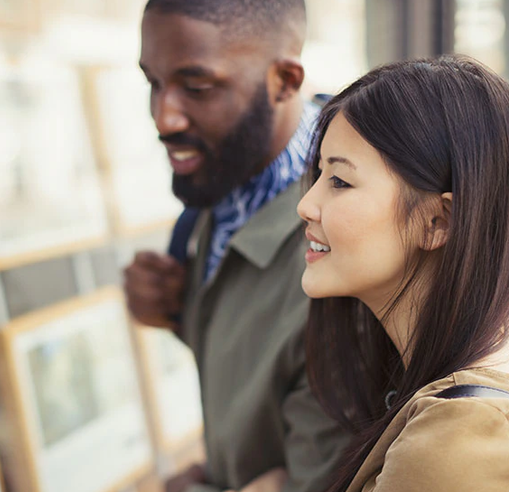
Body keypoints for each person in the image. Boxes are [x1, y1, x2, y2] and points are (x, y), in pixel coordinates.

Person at [293, 55, 509, 491]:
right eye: (318, 174)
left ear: (438, 222)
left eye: (339, 181)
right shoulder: (499, 350)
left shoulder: (458, 439)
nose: (305, 205)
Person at [124, 1, 350, 491]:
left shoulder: (347, 245)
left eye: (197, 88)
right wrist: (180, 312)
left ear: (285, 81)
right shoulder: (226, 180)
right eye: (153, 83)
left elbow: (331, 480)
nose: (164, 118)